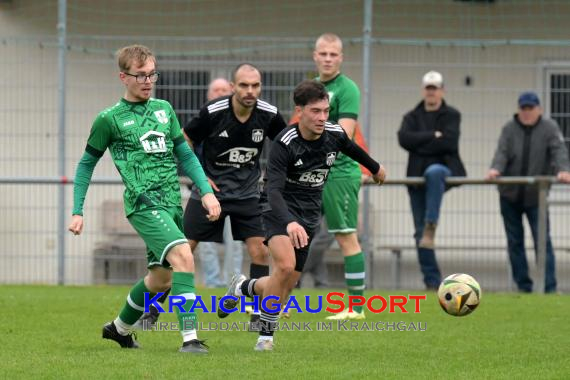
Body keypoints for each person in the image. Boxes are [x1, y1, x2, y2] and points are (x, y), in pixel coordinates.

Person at [68, 45, 220, 353]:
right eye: (141, 75)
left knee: (161, 279)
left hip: (171, 202)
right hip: (142, 203)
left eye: (152, 74)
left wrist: (205, 191)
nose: (148, 81)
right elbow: (86, 164)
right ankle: (190, 340)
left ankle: (119, 329)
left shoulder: (164, 109)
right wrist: (77, 210)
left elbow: (185, 154)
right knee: (184, 257)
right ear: (123, 77)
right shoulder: (109, 119)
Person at [219, 80, 386, 351]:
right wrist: (289, 221)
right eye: (315, 112)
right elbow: (272, 190)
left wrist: (376, 168)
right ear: (300, 111)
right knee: (283, 267)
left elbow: (352, 149)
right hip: (278, 210)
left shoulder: (334, 133)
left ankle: (242, 287)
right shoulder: (285, 143)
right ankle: (265, 339)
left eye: (325, 111)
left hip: (309, 215)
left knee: (284, 283)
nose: (322, 117)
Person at [183, 63, 287, 324]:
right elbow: (185, 139)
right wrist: (200, 177)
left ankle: (258, 315)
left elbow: (287, 144)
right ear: (232, 87)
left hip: (248, 193)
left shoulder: (269, 114)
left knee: (261, 253)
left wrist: (274, 177)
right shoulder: (213, 112)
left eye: (255, 86)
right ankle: (153, 308)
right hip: (210, 193)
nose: (250, 91)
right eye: (244, 85)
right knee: (183, 251)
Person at [308, 33, 369, 320]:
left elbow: (343, 134)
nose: (328, 58)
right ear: (315, 56)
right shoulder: (311, 87)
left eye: (334, 54)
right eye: (324, 53)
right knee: (292, 233)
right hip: (309, 173)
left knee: (346, 237)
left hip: (340, 173)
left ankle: (356, 308)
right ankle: (278, 301)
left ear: (341, 58)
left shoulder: (348, 89)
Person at [486, 91, 570, 293]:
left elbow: (558, 150)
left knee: (543, 242)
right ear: (518, 109)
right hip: (509, 195)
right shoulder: (509, 129)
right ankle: (523, 286)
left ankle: (549, 288)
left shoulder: (550, 128)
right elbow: (502, 152)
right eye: (523, 108)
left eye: (530, 108)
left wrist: (563, 170)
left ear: (539, 109)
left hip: (536, 197)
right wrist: (495, 169)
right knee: (515, 242)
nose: (526, 112)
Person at [397, 70, 466, 289]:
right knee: (419, 233)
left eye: (435, 88)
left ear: (442, 90)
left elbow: (449, 144)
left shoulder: (452, 114)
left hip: (444, 170)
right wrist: (432, 135)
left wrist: (420, 142)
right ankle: (432, 281)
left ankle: (431, 222)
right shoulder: (411, 116)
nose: (431, 92)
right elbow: (404, 139)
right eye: (428, 88)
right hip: (416, 177)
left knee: (435, 172)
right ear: (423, 90)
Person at [195, 78, 244, 288]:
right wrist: (202, 178)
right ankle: (213, 283)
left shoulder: (241, 120)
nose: (220, 93)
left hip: (236, 191)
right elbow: (190, 152)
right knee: (206, 242)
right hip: (205, 190)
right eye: (216, 90)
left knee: (235, 241)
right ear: (208, 94)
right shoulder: (201, 120)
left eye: (225, 90)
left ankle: (233, 284)